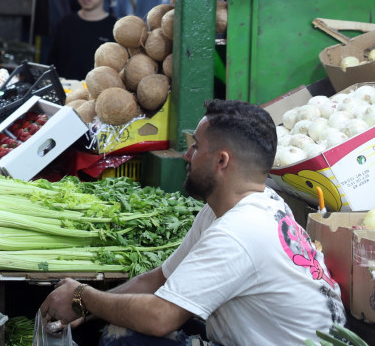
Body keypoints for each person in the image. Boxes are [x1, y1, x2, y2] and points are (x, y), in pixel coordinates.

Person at [39, 99, 346, 346]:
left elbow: (160, 318)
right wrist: (85, 309)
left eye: (196, 146)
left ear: (221, 161)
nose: (187, 155)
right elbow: (159, 278)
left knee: (125, 340)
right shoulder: (240, 205)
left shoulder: (240, 232)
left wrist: (84, 296)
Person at [46, 0, 115, 81]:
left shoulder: (114, 28)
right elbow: (52, 66)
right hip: (67, 95)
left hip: (99, 96)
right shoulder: (64, 24)